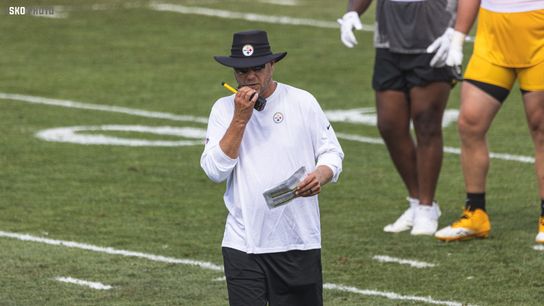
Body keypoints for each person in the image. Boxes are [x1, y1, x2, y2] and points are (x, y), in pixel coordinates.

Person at [200, 30, 344, 306]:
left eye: (257, 68)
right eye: (242, 71)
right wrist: (240, 119)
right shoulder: (223, 110)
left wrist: (320, 175)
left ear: (272, 66)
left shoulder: (302, 102)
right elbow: (214, 170)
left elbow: (332, 153)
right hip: (243, 242)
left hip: (298, 241)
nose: (250, 76)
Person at [338, 0, 458, 235]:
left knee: (426, 123)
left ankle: (426, 206)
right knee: (389, 124)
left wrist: (456, 31)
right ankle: (416, 201)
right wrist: (353, 12)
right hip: (389, 40)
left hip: (434, 36)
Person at [434, 0, 544, 242]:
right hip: (492, 35)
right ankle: (475, 214)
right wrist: (458, 39)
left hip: (539, 31)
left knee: (541, 128)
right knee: (470, 122)